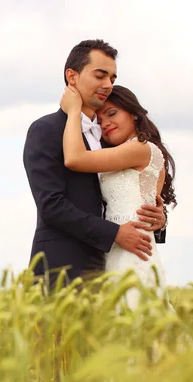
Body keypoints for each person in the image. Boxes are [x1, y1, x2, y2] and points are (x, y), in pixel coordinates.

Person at [22, 39, 167, 290]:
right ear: (72, 76)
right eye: (100, 75)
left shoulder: (112, 142)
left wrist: (159, 220)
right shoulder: (45, 130)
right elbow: (51, 205)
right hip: (64, 268)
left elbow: (129, 196)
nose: (108, 85)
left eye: (112, 77)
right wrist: (115, 234)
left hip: (115, 269)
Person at [60, 83, 176, 308]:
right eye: (100, 121)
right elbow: (147, 204)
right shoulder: (124, 153)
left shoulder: (139, 148)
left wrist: (73, 111)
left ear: (133, 113)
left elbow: (74, 158)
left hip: (132, 254)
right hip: (117, 248)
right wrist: (159, 220)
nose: (106, 124)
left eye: (112, 113)